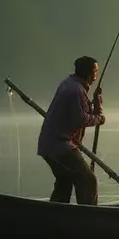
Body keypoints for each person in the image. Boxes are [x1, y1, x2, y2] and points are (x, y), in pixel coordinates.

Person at [37, 56, 106, 205]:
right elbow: (80, 119)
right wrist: (99, 119)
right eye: (95, 71)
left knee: (64, 182)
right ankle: (89, 217)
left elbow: (87, 114)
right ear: (89, 74)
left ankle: (57, 215)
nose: (96, 76)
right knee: (88, 181)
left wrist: (97, 100)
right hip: (60, 146)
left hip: (49, 145)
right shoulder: (75, 90)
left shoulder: (70, 85)